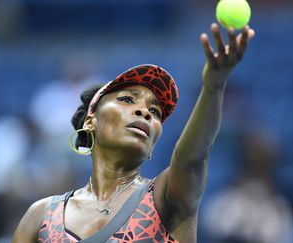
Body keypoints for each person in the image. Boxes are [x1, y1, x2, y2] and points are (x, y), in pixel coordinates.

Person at [13, 23, 255, 243]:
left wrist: (214, 86)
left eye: (155, 111)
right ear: (91, 119)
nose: (145, 112)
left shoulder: (166, 197)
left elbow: (191, 159)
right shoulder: (42, 215)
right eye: (128, 99)